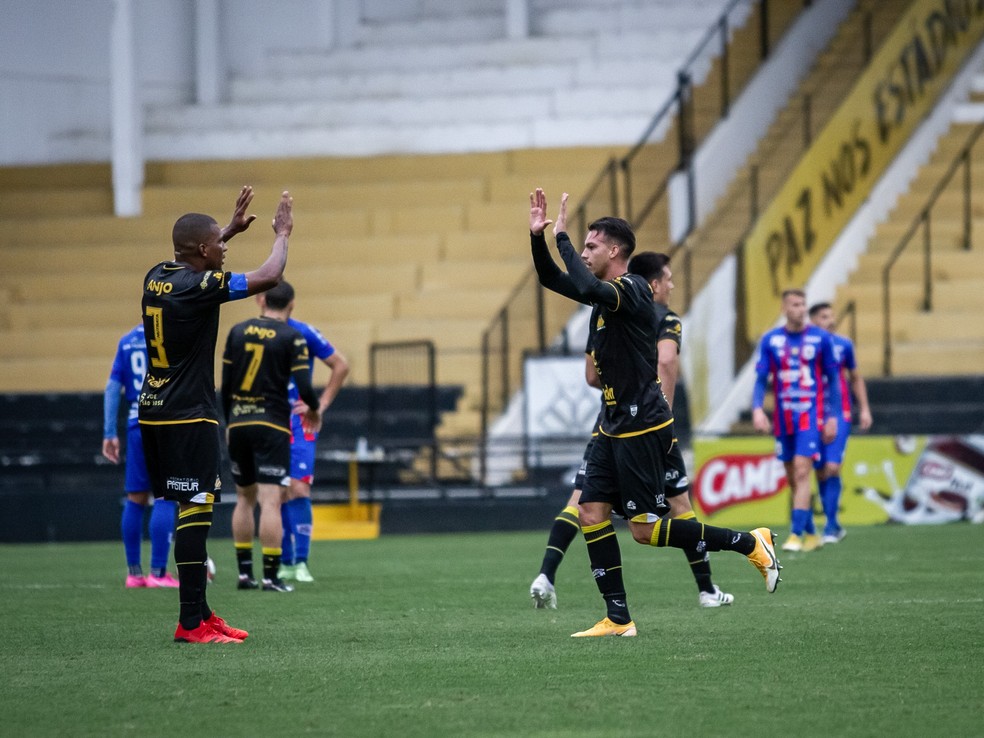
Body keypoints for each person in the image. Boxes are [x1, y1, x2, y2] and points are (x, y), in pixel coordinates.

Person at [528, 188, 780, 638]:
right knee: (590, 511)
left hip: (642, 424)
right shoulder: (604, 299)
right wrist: (537, 238)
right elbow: (554, 280)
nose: (584, 253)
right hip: (612, 424)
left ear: (616, 251)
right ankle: (618, 618)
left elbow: (584, 284)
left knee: (645, 532)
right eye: (582, 246)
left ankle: (749, 543)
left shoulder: (633, 289)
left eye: (591, 246)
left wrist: (562, 236)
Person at [529, 251, 733, 610]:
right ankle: (708, 586)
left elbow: (592, 375)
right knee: (674, 508)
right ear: (653, 283)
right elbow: (667, 360)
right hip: (650, 422)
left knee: (584, 504)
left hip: (609, 419)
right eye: (668, 278)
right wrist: (658, 409)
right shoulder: (663, 317)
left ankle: (549, 575)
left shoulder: (601, 309)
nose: (671, 285)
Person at [138, 186, 293, 644]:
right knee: (198, 507)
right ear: (203, 250)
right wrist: (281, 233)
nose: (224, 247)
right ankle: (190, 623)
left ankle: (202, 615)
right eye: (219, 243)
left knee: (192, 505)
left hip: (155, 409)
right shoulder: (200, 288)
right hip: (188, 414)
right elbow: (269, 275)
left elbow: (196, 258)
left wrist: (228, 230)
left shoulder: (156, 275)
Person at [222, 280, 322, 594]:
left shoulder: (237, 331)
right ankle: (270, 577)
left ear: (261, 301)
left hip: (238, 422)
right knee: (269, 502)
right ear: (291, 305)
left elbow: (225, 386)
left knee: (243, 498)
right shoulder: (292, 337)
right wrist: (314, 409)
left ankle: (244, 575)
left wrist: (230, 422)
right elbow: (304, 388)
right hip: (273, 425)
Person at [751, 289, 842, 553]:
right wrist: (758, 409)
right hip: (782, 418)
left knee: (803, 471)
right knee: (793, 477)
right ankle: (812, 534)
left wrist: (832, 417)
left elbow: (834, 380)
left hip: (809, 416)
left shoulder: (821, 338)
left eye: (803, 304)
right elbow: (760, 379)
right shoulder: (771, 340)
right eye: (795, 304)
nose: (801, 309)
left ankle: (796, 534)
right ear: (784, 309)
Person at [276, 299, 350, 584]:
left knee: (299, 487)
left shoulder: (304, 333)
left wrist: (320, 404)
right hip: (268, 419)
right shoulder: (253, 335)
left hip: (298, 420)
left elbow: (340, 365)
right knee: (276, 492)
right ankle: (283, 561)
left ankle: (301, 562)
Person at [103, 323, 178, 589]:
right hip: (165, 421)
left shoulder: (127, 340)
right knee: (166, 495)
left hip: (136, 422)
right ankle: (158, 574)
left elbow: (113, 388)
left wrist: (109, 432)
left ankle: (134, 574)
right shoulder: (171, 333)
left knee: (135, 497)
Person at [808, 302, 873, 543]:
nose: (831, 320)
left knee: (833, 467)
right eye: (825, 316)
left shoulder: (844, 344)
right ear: (813, 320)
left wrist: (864, 409)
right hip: (812, 415)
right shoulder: (806, 346)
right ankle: (832, 523)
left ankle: (831, 524)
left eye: (832, 316)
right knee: (821, 469)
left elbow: (855, 378)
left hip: (840, 413)